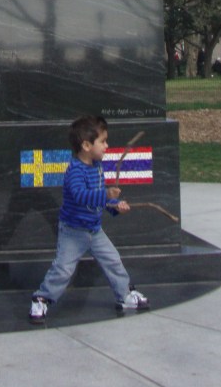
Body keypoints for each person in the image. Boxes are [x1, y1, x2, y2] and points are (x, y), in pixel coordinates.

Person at [29, 114, 149, 323]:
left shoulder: (97, 167)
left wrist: (114, 207)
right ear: (86, 145)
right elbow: (82, 196)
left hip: (95, 230)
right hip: (73, 232)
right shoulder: (75, 171)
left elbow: (99, 200)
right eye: (102, 141)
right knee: (63, 269)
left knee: (113, 260)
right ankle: (42, 299)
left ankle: (125, 296)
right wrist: (107, 196)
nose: (106, 145)